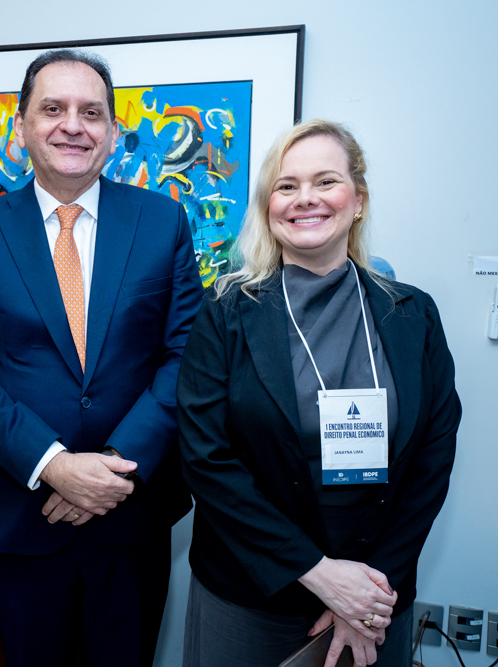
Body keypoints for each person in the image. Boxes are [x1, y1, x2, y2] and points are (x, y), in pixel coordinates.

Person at [0, 49, 204, 667]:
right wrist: (54, 465)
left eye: (91, 112)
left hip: (130, 513)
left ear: (113, 132)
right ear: (22, 124)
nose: (72, 125)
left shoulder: (162, 221)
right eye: (52, 109)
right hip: (24, 514)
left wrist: (111, 469)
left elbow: (185, 356)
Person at [177, 120, 461, 667]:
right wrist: (319, 574)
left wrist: (369, 592)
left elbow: (433, 457)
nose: (304, 198)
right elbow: (206, 461)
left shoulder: (414, 314)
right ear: (268, 207)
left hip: (377, 594)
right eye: (286, 186)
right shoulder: (224, 317)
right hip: (250, 596)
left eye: (325, 181)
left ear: (358, 201)